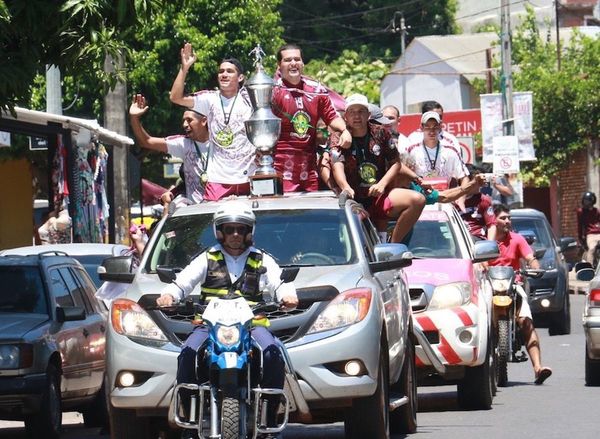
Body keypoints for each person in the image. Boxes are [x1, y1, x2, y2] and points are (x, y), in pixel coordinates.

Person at [156, 200, 298, 436]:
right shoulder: (206, 257)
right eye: (229, 229)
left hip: (252, 325)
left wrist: (287, 296)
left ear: (249, 232)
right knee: (188, 353)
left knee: (273, 352)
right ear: (219, 231)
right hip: (210, 325)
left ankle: (270, 418)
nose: (234, 234)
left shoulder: (262, 258)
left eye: (240, 229)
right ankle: (189, 416)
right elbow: (182, 283)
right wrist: (169, 296)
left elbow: (280, 284)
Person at [330, 93, 425, 243]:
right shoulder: (338, 135)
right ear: (345, 116)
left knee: (418, 200)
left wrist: (382, 184)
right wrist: (345, 187)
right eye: (352, 112)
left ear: (368, 114)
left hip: (378, 197)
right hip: (353, 199)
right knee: (357, 242)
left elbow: (396, 163)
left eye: (361, 111)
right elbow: (336, 164)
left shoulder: (381, 132)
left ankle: (392, 246)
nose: (357, 116)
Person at [169, 43, 255, 200]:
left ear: (240, 77)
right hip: (218, 179)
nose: (224, 74)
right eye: (221, 71)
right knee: (215, 222)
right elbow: (175, 97)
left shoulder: (251, 99)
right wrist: (185, 68)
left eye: (230, 71)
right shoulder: (209, 99)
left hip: (248, 176)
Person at [272, 43, 351, 192]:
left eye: (297, 59)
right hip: (280, 169)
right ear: (279, 65)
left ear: (302, 63)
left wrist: (345, 130)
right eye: (288, 60)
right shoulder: (273, 92)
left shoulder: (316, 90)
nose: (293, 63)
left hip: (309, 170)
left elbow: (332, 116)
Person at [489, 204, 552, 385]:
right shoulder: (484, 242)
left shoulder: (517, 239)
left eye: (509, 218)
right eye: (503, 218)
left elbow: (530, 258)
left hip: (513, 286)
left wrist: (535, 267)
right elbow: (478, 262)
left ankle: (538, 368)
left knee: (526, 322)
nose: (507, 221)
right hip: (489, 287)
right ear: (493, 221)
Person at [129, 93, 209, 204]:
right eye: (184, 120)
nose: (185, 125)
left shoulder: (221, 144)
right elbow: (146, 142)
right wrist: (134, 118)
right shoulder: (183, 143)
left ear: (204, 121)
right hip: (194, 212)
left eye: (189, 120)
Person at [406, 111, 470, 190]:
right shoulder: (412, 151)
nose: (432, 131)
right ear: (421, 128)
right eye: (427, 127)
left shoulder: (451, 151)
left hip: (446, 197)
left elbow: (464, 178)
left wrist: (461, 200)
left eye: (435, 127)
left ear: (440, 128)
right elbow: (404, 177)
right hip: (420, 198)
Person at [455, 165, 497, 240]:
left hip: (477, 240)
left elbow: (491, 225)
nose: (480, 185)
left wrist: (489, 245)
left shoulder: (484, 200)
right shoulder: (451, 200)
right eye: (476, 181)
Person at [577, 191, 600, 264]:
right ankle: (590, 269)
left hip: (599, 233)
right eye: (585, 201)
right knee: (592, 249)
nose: (586, 203)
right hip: (591, 235)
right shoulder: (581, 212)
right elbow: (579, 225)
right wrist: (580, 238)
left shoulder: (597, 211)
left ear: (592, 201)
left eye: (588, 201)